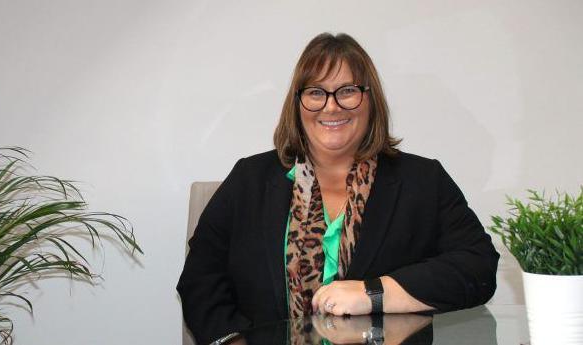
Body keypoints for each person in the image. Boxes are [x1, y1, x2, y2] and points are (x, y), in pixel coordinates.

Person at [177, 32, 499, 345]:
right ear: (298, 103)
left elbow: (479, 266)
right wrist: (231, 341)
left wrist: (373, 293)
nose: (331, 107)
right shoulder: (250, 179)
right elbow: (200, 278)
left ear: (370, 100)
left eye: (347, 90)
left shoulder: (424, 181)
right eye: (316, 92)